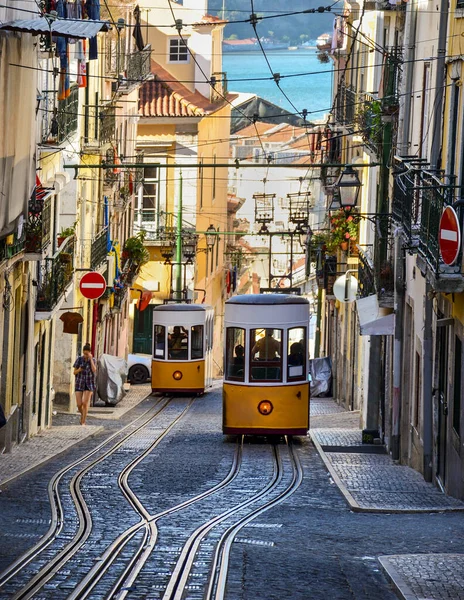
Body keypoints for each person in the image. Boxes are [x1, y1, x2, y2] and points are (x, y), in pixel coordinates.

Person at [73, 343, 97, 425]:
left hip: (89, 383)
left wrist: (90, 359)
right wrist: (79, 369)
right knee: (79, 404)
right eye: (84, 354)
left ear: (90, 353)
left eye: (87, 354)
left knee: (85, 403)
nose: (85, 355)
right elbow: (74, 372)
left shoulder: (93, 360)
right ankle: (83, 415)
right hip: (79, 383)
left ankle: (83, 421)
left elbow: (94, 370)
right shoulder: (79, 360)